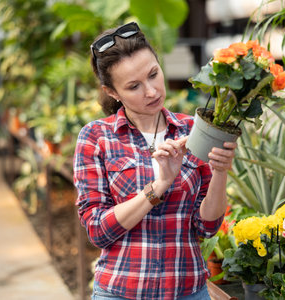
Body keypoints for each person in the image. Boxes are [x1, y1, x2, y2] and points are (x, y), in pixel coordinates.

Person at [73, 22, 237, 300]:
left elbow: (207, 227)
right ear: (112, 92)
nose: (151, 91)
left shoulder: (193, 130)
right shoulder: (96, 137)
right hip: (121, 292)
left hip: (188, 291)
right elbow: (98, 230)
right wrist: (159, 185)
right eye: (134, 86)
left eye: (153, 74)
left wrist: (220, 171)